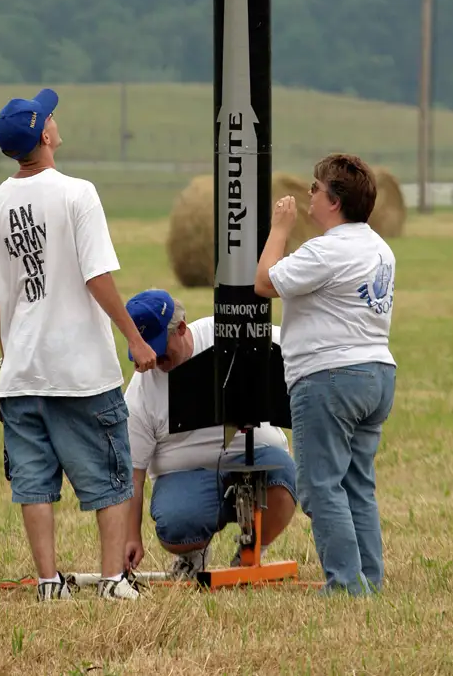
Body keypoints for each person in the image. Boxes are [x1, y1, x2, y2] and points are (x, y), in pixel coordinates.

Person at [0, 88, 157, 603]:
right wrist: (133, 336)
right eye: (50, 115)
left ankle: (49, 582)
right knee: (109, 471)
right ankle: (112, 581)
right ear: (45, 135)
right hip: (80, 368)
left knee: (33, 482)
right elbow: (97, 276)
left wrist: (9, 354)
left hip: (21, 371)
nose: (56, 119)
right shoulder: (78, 193)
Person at [254, 153, 397, 596]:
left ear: (333, 201)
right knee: (356, 482)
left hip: (328, 377)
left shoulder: (326, 250)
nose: (308, 195)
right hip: (377, 373)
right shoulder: (379, 247)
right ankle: (368, 580)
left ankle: (345, 586)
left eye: (315, 189)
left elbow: (265, 282)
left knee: (319, 486)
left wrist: (279, 229)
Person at [122, 289, 297, 579]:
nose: (152, 358)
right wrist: (131, 537)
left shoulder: (228, 334)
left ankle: (251, 553)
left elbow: (291, 346)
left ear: (181, 328)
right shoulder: (139, 394)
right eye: (142, 347)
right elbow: (134, 474)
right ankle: (192, 556)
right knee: (177, 526)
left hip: (256, 453)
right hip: (186, 474)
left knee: (283, 478)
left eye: (158, 347)